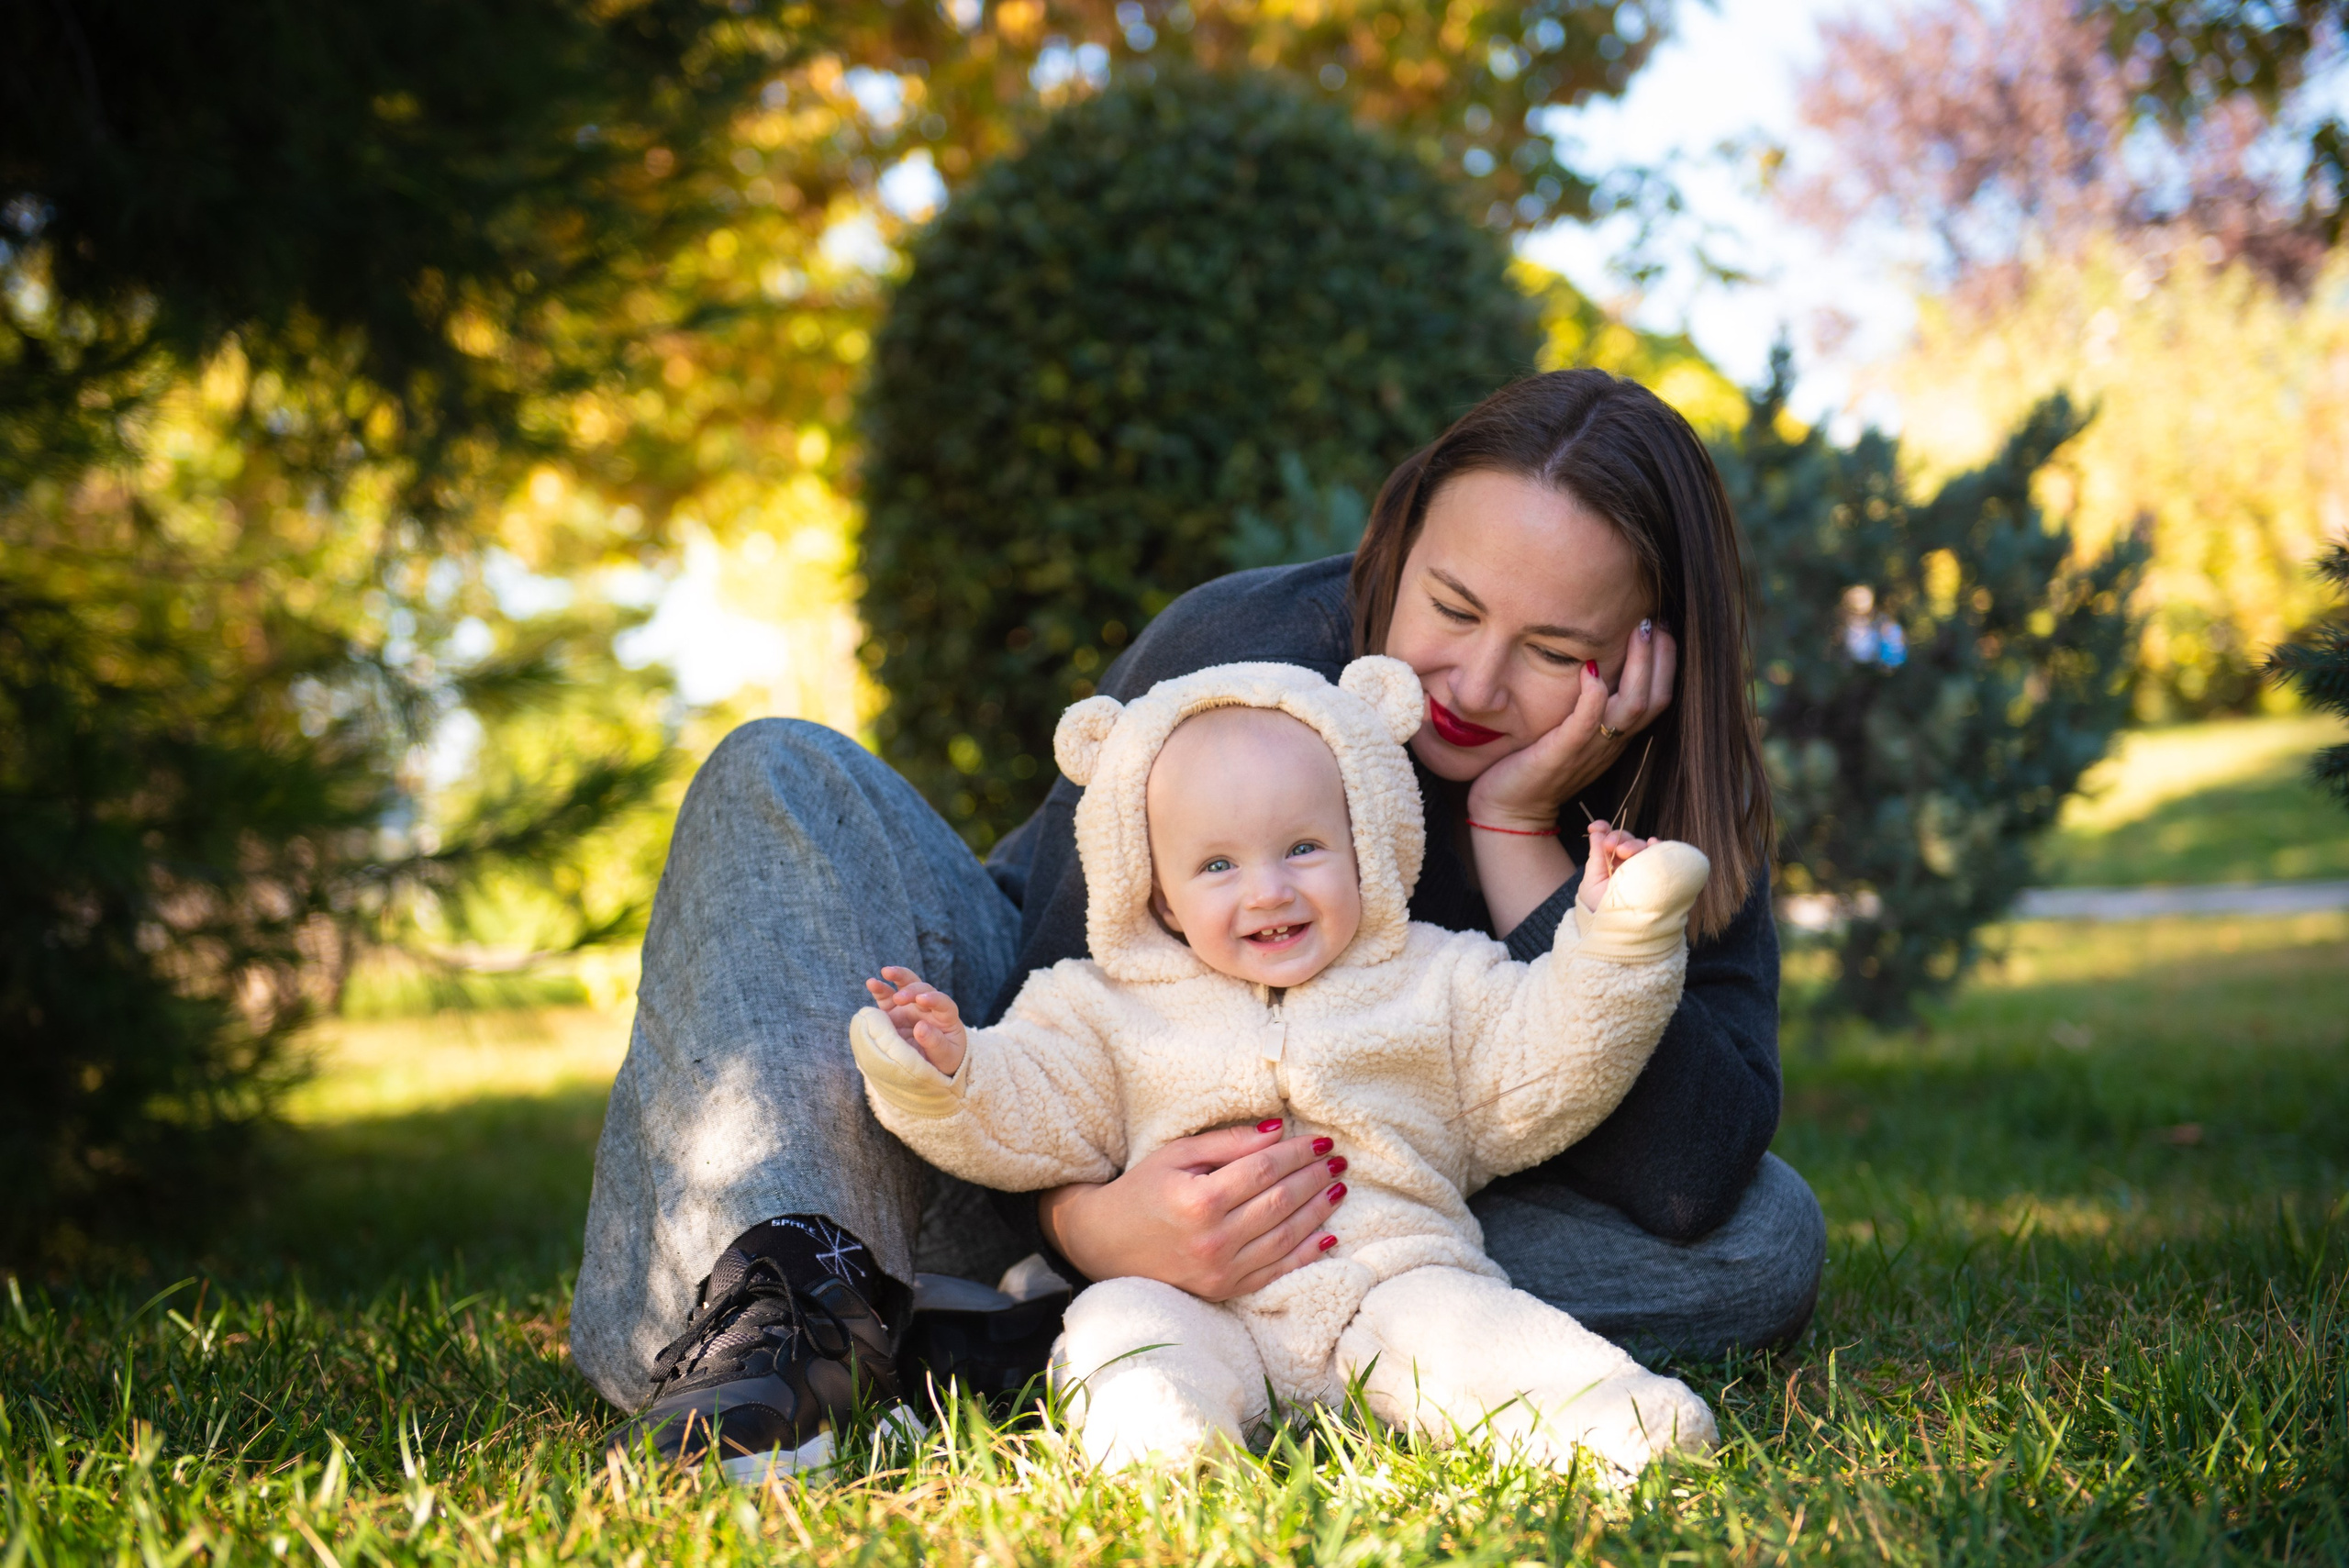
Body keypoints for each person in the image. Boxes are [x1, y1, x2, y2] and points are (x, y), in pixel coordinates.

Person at [575, 369, 1826, 1476]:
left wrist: (1518, 834)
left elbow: (1690, 1177)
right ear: (1395, 543)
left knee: (1768, 1238)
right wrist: (1096, 1224)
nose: (1477, 683)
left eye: (1555, 649)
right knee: (780, 770)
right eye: (1450, 607)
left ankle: (1017, 1336)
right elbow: (1061, 989)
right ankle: (794, 1306)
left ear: (1651, 657)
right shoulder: (1249, 656)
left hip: (1377, 1229)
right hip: (1007, 1117)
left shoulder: (1663, 795)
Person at [850, 656, 1719, 1476]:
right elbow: (1035, 1101)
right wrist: (952, 1065)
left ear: (1366, 839)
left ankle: (1615, 1422)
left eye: (1303, 847)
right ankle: (1160, 1445)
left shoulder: (1437, 978)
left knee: (1481, 1333)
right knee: (1120, 1324)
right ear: (1156, 890)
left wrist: (1612, 941)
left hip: (1395, 1283)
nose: (1268, 890)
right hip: (1195, 1298)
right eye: (1218, 864)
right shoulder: (1102, 1004)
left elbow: (1548, 1056)